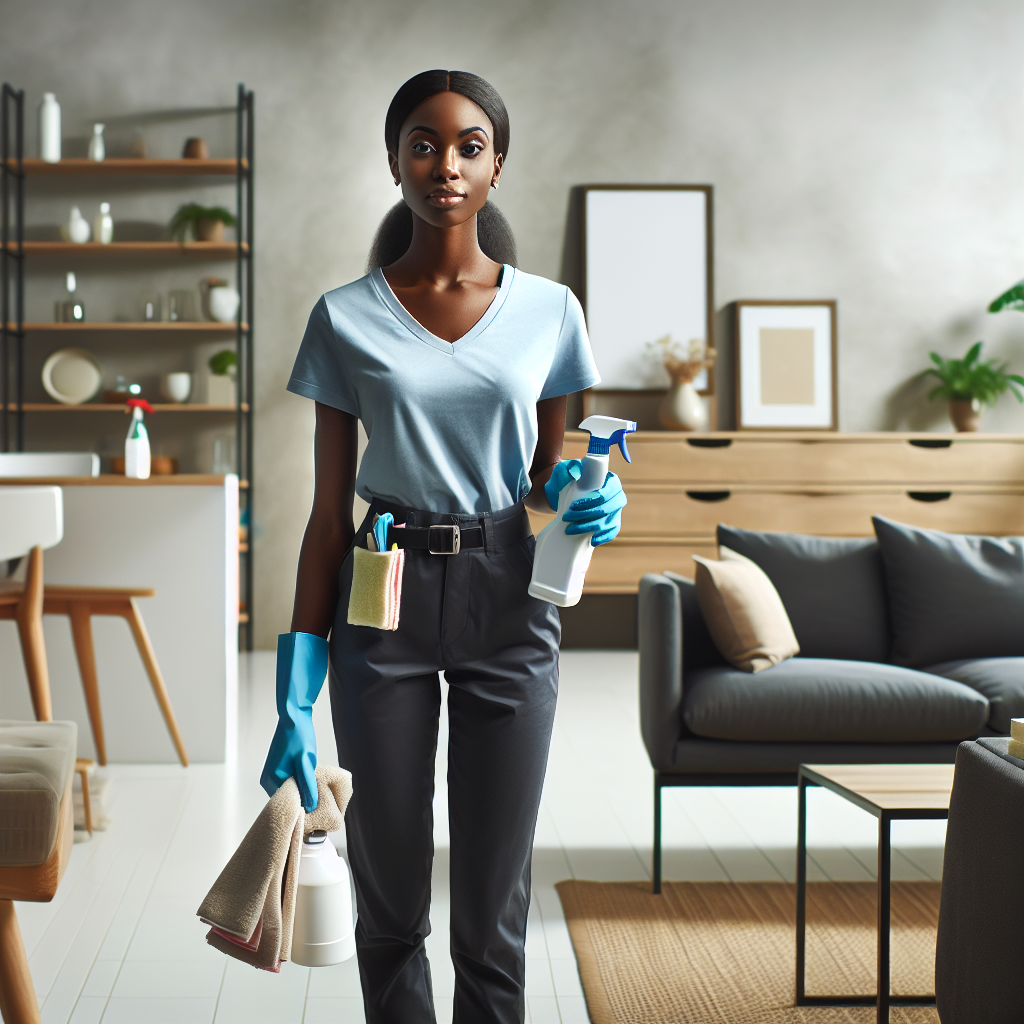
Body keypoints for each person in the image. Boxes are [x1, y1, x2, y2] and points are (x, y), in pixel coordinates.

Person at [261, 69, 626, 1024]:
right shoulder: (344, 316)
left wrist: (590, 498)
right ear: (395, 161)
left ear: (497, 165)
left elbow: (550, 472)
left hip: (510, 594)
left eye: (469, 146)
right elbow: (325, 511)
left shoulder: (551, 311)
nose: (446, 165)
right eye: (424, 144)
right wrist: (296, 693)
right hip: (380, 597)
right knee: (389, 904)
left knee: (493, 910)